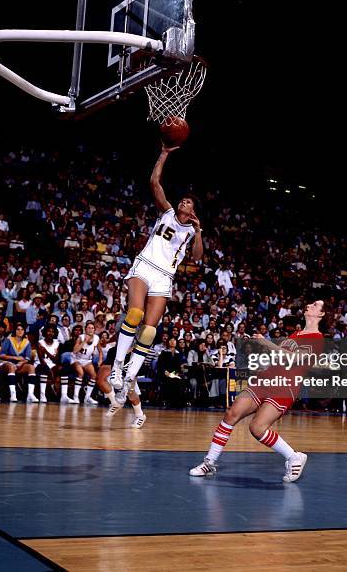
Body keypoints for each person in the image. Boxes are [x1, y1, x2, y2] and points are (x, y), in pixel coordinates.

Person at [189, 300, 327, 483]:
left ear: (321, 314)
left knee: (257, 428)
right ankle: (209, 462)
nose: (309, 305)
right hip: (266, 378)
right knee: (232, 413)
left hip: (285, 386)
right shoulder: (297, 333)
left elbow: (295, 360)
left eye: (315, 304)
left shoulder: (317, 339)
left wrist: (267, 343)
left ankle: (294, 456)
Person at [109, 145, 203, 407]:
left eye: (188, 202)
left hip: (164, 277)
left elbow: (197, 258)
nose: (183, 201)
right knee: (135, 314)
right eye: (183, 200)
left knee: (149, 330)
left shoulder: (191, 232)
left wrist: (199, 230)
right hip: (145, 265)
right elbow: (154, 182)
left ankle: (130, 375)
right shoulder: (168, 212)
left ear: (193, 211)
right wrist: (163, 153)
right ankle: (118, 364)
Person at [98, 345, 147, 428]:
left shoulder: (136, 354)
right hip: (117, 372)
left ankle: (140, 416)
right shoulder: (113, 351)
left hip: (131, 369)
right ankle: (115, 403)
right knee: (100, 379)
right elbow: (105, 367)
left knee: (131, 392)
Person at [0, 323, 36, 402]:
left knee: (31, 367)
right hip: (6, 363)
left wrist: (21, 363)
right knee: (11, 366)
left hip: (19, 365)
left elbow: (27, 358)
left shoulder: (27, 342)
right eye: (18, 329)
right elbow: (1, 355)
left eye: (22, 330)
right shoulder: (8, 340)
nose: (20, 331)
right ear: (15, 331)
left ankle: (30, 394)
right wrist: (15, 358)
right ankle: (13, 394)